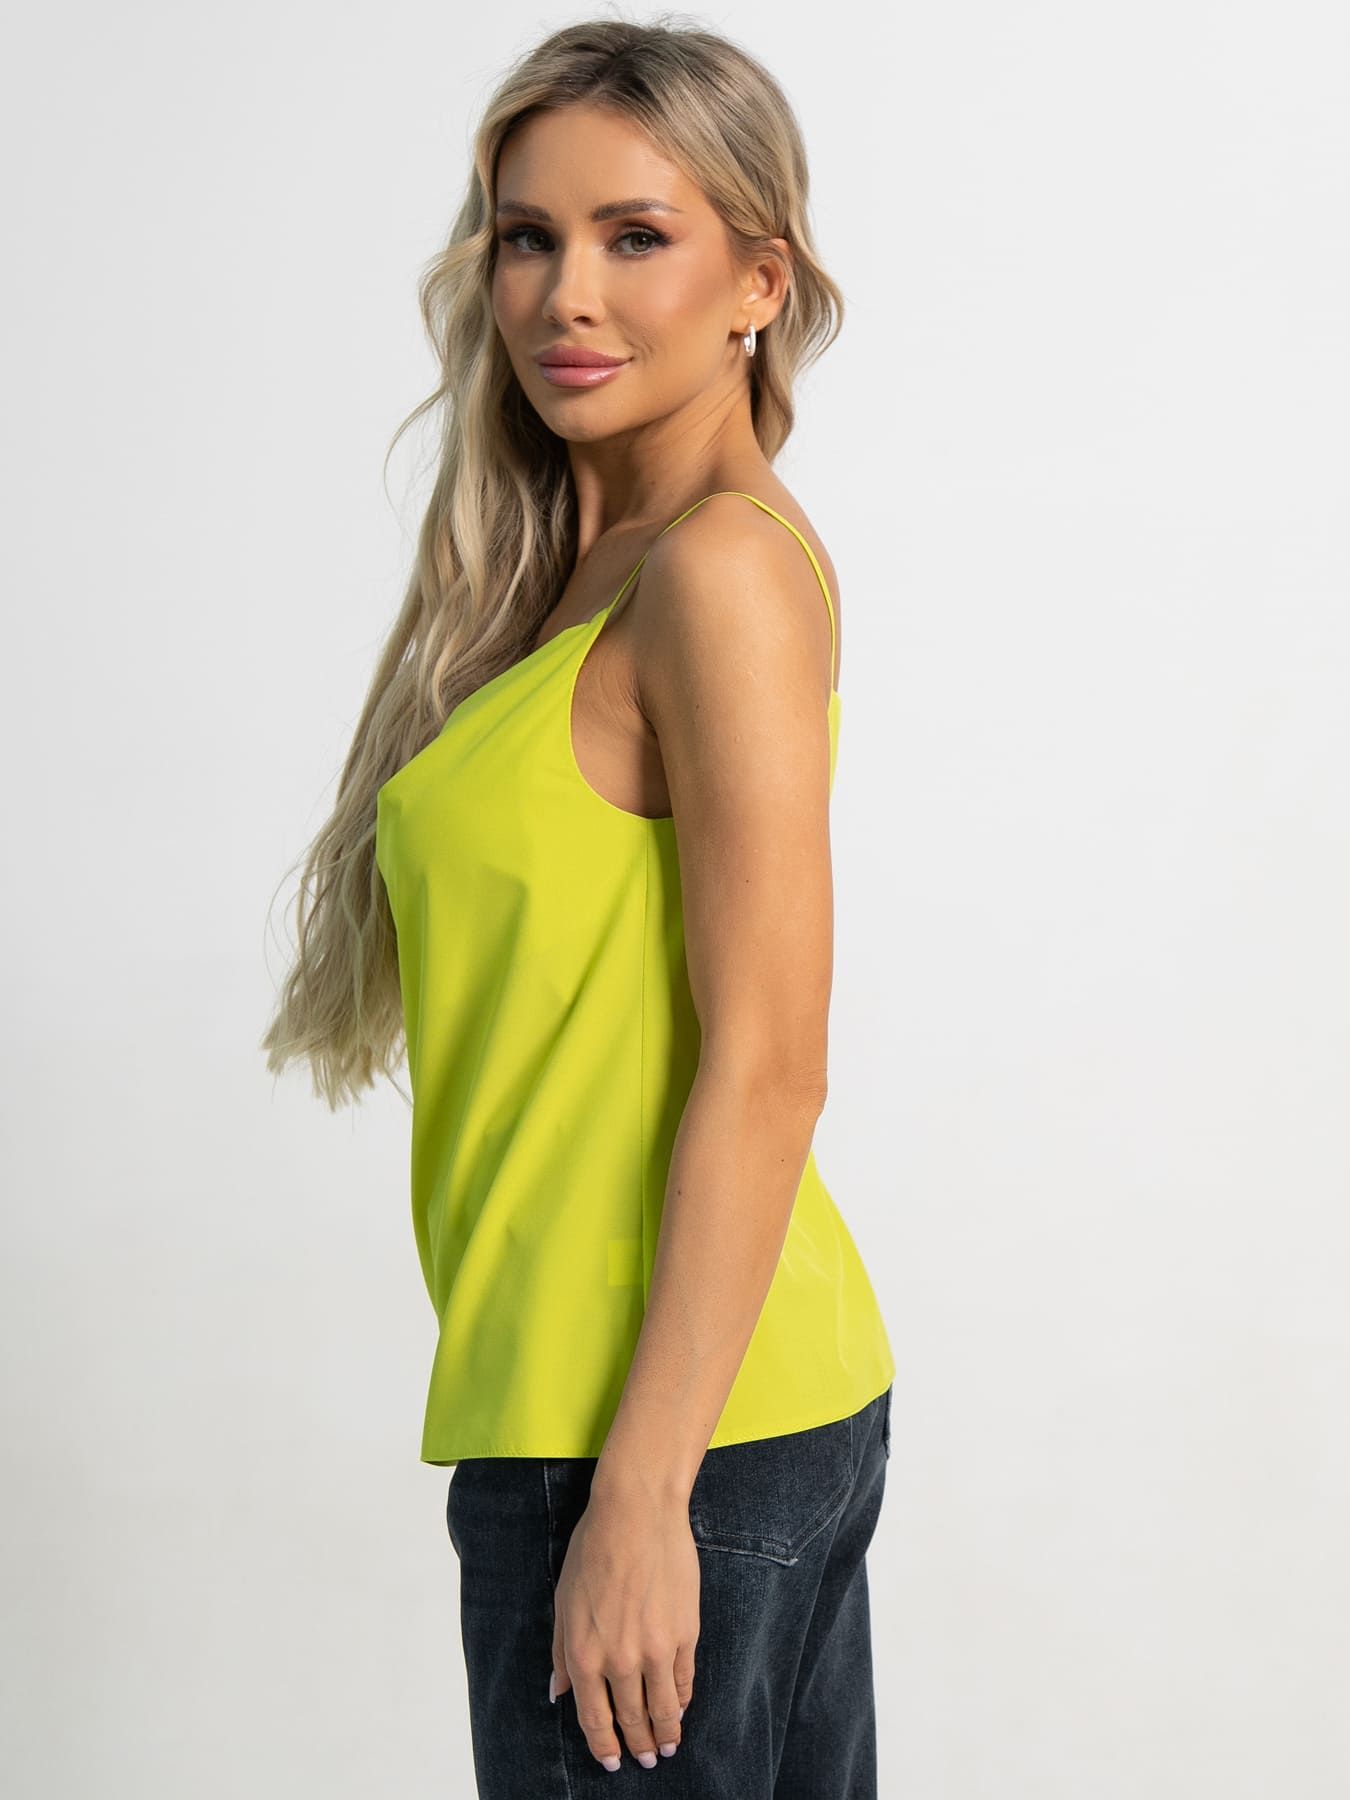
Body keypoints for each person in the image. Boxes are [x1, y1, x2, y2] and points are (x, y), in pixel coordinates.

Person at [262, 17, 896, 1797]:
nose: (567, 294)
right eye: (528, 237)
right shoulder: (582, 571)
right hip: (716, 1412)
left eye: (636, 236)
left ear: (757, 281)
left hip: (647, 1436)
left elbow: (769, 1063)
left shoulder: (716, 572)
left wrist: (637, 1498)